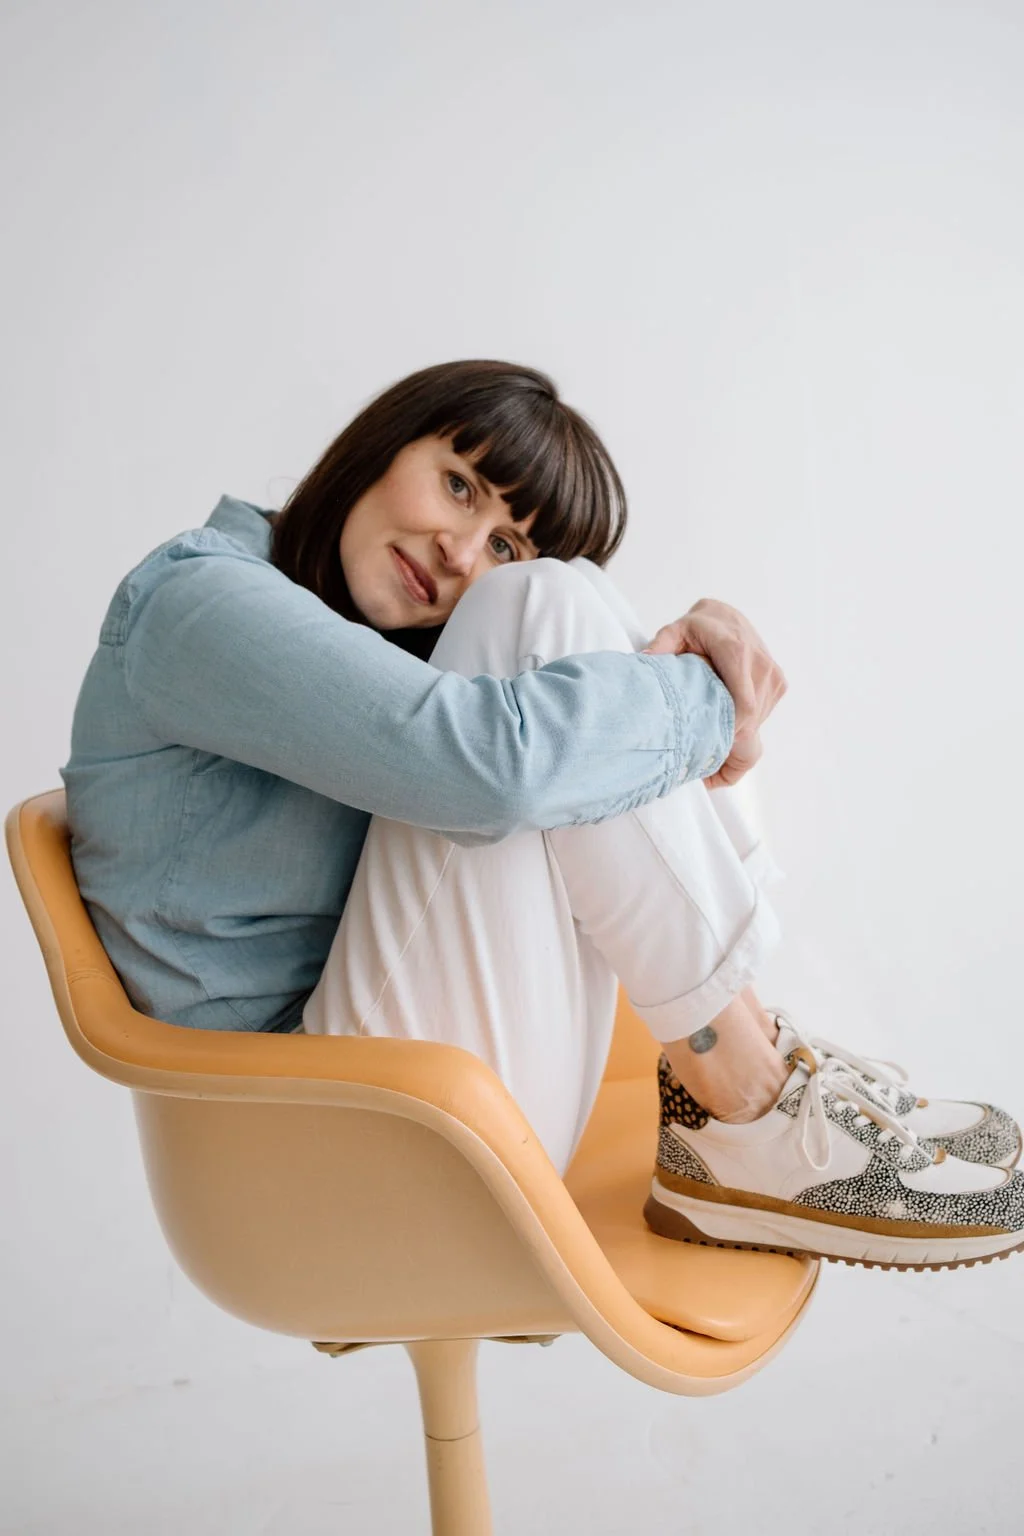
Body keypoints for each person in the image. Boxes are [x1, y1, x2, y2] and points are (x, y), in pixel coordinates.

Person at [61, 359, 1024, 1273]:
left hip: (443, 1103)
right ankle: (752, 1093)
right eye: (460, 485)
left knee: (567, 622)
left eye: (503, 544)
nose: (460, 551)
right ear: (383, 442)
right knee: (543, 625)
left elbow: (529, 733)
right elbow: (477, 767)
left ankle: (747, 1071)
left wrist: (685, 653)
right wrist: (705, 695)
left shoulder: (397, 651)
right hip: (312, 1158)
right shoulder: (194, 599)